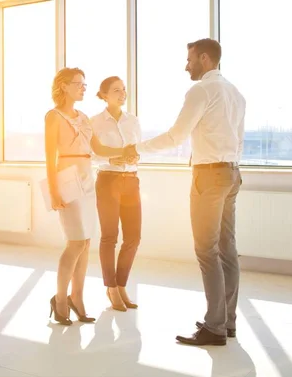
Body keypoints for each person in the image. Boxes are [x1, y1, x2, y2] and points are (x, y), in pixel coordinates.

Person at [123, 38, 246, 346]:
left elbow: (176, 136)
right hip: (231, 173)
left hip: (209, 176)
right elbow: (239, 140)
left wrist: (135, 149)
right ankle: (227, 322)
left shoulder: (201, 90)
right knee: (227, 250)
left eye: (190, 59)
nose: (186, 65)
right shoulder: (235, 93)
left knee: (207, 251)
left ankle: (214, 327)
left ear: (205, 59)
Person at [45, 67, 123, 325]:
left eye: (84, 84)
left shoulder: (84, 117)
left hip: (88, 181)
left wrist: (123, 152)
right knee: (75, 242)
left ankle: (77, 297)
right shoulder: (53, 116)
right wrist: (54, 191)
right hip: (67, 181)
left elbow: (97, 148)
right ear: (64, 86)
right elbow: (49, 157)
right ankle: (60, 298)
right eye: (78, 83)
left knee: (87, 241)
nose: (83, 88)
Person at [90, 76, 142, 311]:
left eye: (124, 90)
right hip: (108, 180)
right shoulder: (94, 122)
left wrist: (134, 156)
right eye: (116, 90)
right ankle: (111, 288)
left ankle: (121, 285)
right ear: (104, 95)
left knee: (133, 237)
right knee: (109, 237)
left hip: (131, 181)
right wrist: (113, 157)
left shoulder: (133, 121)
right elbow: (91, 155)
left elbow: (138, 148)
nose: (122, 94)